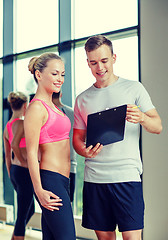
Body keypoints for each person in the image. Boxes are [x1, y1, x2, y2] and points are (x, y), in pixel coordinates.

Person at [73, 35, 162, 240]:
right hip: (95, 178)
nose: (100, 67)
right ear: (88, 63)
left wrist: (141, 117)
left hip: (127, 176)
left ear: (114, 58)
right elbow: (77, 139)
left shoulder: (134, 88)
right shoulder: (82, 98)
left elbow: (157, 126)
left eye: (104, 61)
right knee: (105, 238)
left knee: (132, 237)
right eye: (93, 62)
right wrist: (83, 150)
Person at [24, 53, 76, 240]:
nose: (60, 79)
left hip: (63, 180)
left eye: (62, 74)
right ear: (39, 75)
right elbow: (30, 153)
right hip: (49, 181)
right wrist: (39, 190)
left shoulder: (54, 107)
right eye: (55, 74)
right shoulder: (36, 108)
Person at [3, 91, 35, 240]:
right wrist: (23, 161)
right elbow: (15, 145)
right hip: (23, 171)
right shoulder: (21, 123)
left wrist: (10, 173)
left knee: (29, 209)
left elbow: (7, 155)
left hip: (15, 171)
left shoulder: (7, 127)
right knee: (23, 213)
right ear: (25, 105)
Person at [52, 91, 77, 204]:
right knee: (68, 204)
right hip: (71, 166)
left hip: (52, 168)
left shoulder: (47, 113)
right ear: (61, 94)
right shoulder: (73, 113)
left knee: (53, 206)